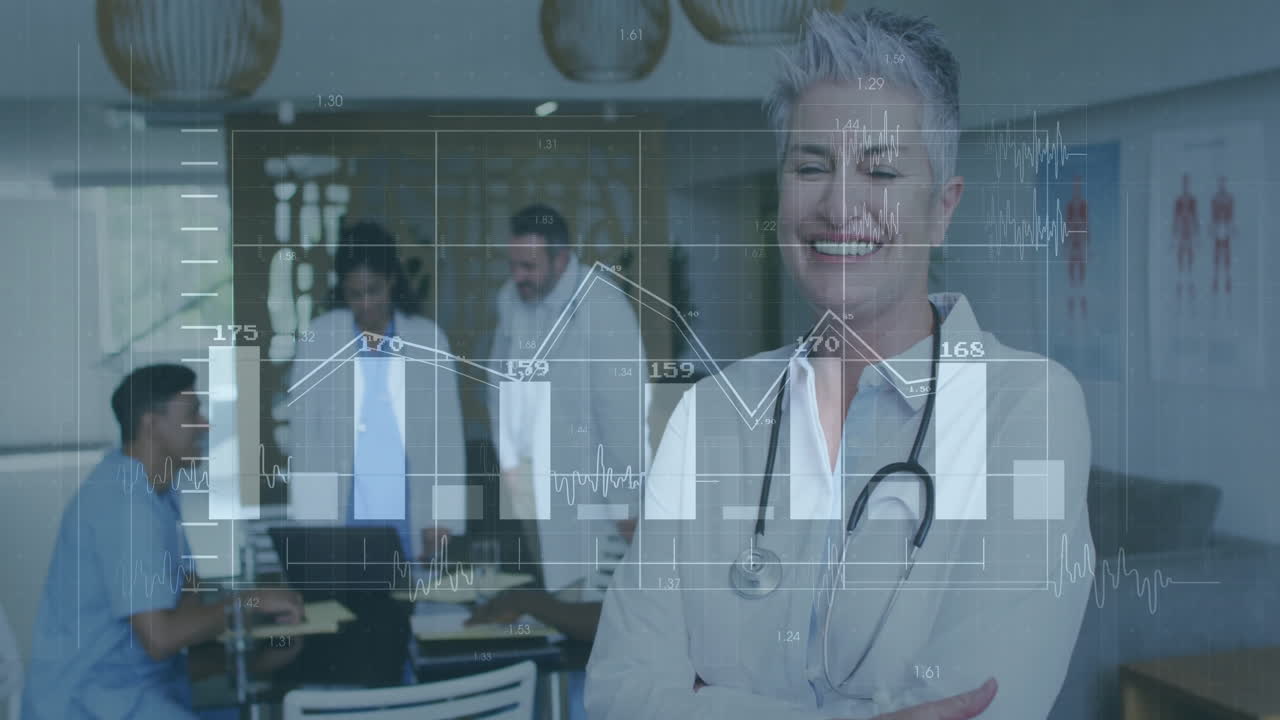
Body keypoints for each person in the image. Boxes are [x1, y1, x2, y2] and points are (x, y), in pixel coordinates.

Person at [587, 9, 1092, 720]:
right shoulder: (711, 416)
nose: (840, 203)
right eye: (811, 166)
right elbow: (616, 694)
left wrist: (706, 703)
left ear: (941, 209)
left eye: (880, 169)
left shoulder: (1028, 409)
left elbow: (982, 709)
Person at [23, 364, 304, 719]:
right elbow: (160, 638)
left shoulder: (159, 498)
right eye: (192, 414)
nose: (204, 424)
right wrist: (251, 601)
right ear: (152, 425)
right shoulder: (125, 506)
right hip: (90, 707)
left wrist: (259, 659)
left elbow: (179, 625)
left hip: (134, 696)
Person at [479, 204, 647, 720]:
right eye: (514, 264)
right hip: (533, 494)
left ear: (561, 258)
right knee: (546, 616)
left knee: (593, 627)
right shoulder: (513, 301)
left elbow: (623, 415)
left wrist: (628, 502)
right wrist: (511, 464)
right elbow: (498, 386)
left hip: (593, 502)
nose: (518, 276)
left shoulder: (603, 307)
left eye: (529, 266)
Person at [284, 220, 467, 562]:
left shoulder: (428, 339)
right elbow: (304, 437)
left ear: (392, 280)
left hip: (408, 506)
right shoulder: (320, 340)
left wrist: (443, 519)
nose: (366, 304)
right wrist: (310, 521)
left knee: (405, 586)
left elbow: (447, 438)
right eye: (355, 294)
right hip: (341, 507)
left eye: (374, 290)